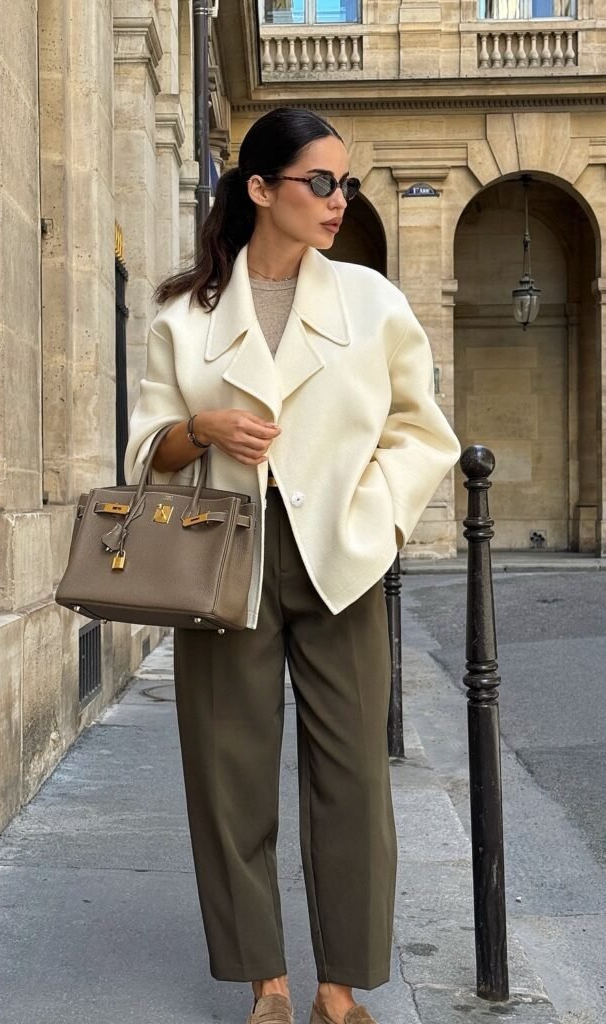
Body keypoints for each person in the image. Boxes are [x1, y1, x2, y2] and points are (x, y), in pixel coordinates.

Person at [124, 106, 461, 1024]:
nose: (338, 200)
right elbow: (140, 449)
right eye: (319, 182)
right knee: (227, 772)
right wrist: (200, 430)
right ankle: (264, 981)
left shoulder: (372, 301)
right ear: (260, 189)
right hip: (220, 558)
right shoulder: (183, 318)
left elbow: (422, 431)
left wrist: (382, 518)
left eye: (345, 183)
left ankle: (339, 986)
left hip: (336, 559)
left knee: (351, 773)